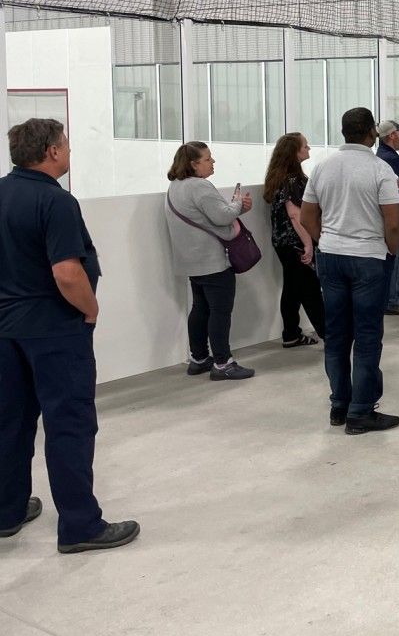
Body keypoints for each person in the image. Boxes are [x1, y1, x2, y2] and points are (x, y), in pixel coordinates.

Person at [0, 118, 140, 554]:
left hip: (6, 331)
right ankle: (80, 525)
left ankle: (6, 511)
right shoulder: (56, 201)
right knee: (69, 425)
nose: (69, 151)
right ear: (52, 151)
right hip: (54, 332)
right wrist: (90, 309)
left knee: (10, 422)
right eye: (66, 144)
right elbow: (66, 272)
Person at [300, 107, 399, 434]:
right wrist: (391, 251)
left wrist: (326, 241)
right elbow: (393, 223)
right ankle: (361, 412)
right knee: (368, 335)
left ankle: (339, 406)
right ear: (372, 132)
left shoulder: (323, 167)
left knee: (337, 334)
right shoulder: (380, 169)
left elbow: (306, 216)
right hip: (368, 258)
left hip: (331, 257)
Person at [165, 141, 255, 381]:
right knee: (220, 312)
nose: (212, 162)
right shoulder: (200, 186)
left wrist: (232, 208)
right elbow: (222, 216)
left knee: (200, 308)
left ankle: (198, 358)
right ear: (193, 164)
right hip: (212, 260)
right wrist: (238, 204)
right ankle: (223, 363)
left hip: (192, 261)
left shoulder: (175, 186)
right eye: (207, 158)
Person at [263, 132, 324, 347]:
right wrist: (308, 244)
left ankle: (291, 334)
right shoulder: (293, 180)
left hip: (282, 242)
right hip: (296, 242)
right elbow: (295, 215)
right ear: (294, 152)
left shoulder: (279, 177)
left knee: (292, 288)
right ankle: (329, 334)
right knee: (310, 289)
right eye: (305, 146)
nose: (309, 149)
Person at [375, 119, 399, 315]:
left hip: (390, 216)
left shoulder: (382, 156)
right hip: (397, 218)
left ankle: (390, 298)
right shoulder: (391, 158)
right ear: (392, 135)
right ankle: (394, 300)